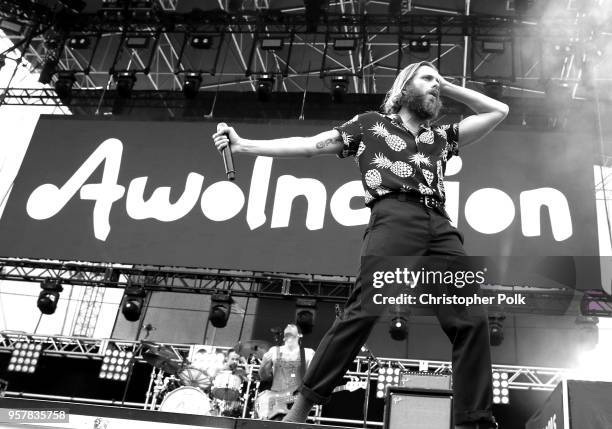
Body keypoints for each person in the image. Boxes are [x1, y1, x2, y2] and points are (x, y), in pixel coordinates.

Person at [213, 61, 508, 429]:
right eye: (427, 78)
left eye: (438, 80)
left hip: (440, 224)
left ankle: (472, 421)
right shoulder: (371, 124)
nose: (435, 85)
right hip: (394, 214)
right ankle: (301, 407)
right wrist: (243, 145)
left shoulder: (441, 138)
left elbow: (499, 110)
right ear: (403, 88)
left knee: (471, 318)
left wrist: (446, 86)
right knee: (365, 308)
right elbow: (308, 146)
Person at [256, 324, 315, 420]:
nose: (288, 326)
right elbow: (265, 377)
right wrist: (262, 366)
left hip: (296, 403)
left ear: (300, 335)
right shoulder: (274, 351)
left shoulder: (308, 353)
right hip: (275, 401)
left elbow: (313, 380)